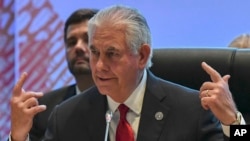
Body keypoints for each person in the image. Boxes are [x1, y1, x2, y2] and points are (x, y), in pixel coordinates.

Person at [11, 5, 244, 141]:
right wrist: (17, 138)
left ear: (142, 56)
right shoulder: (67, 117)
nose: (99, 65)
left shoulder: (192, 110)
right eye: (95, 52)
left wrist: (234, 123)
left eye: (112, 53)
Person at [9, 8, 97, 141]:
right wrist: (17, 136)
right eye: (72, 42)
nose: (78, 47)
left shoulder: (121, 101)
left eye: (87, 39)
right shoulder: (44, 108)